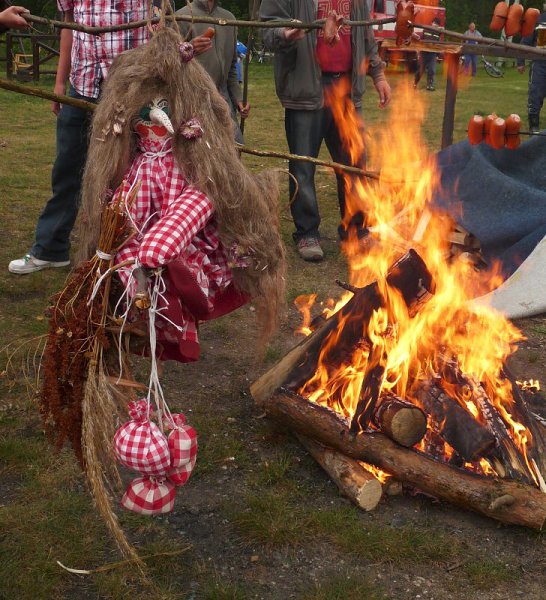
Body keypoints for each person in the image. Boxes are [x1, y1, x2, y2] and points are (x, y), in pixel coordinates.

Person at [78, 27, 286, 361]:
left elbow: (206, 185)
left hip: (179, 179)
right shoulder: (131, 121)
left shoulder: (193, 125)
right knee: (125, 238)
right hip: (142, 179)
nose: (155, 112)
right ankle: (159, 315)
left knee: (174, 235)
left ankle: (182, 283)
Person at [8, 0, 166, 275]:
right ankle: (50, 248)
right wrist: (60, 83)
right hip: (82, 87)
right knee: (67, 169)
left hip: (130, 93)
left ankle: (126, 256)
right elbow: (68, 29)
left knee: (128, 176)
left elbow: (159, 28)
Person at [259, 0, 391, 262]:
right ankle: (307, 232)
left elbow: (366, 35)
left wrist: (378, 75)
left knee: (354, 162)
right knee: (303, 164)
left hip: (347, 88)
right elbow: (268, 31)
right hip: (307, 87)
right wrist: (286, 33)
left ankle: (355, 228)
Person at [176, 0, 250, 144]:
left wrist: (239, 98)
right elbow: (168, 64)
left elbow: (233, 66)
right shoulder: (182, 17)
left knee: (233, 150)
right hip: (193, 102)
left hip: (224, 100)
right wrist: (188, 50)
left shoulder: (229, 19)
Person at [517, 3, 546, 133]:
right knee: (535, 96)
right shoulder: (538, 20)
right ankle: (534, 128)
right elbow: (525, 42)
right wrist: (520, 61)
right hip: (539, 64)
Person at [414, 18, 441, 91]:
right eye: (433, 23)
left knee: (431, 70)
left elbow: (438, 45)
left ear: (438, 26)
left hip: (432, 55)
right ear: (431, 23)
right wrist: (418, 51)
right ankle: (415, 83)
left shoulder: (438, 33)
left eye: (436, 24)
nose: (434, 25)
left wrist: (438, 55)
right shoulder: (425, 30)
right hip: (424, 54)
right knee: (420, 70)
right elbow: (420, 41)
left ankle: (430, 85)